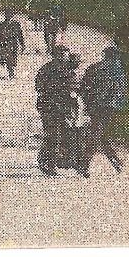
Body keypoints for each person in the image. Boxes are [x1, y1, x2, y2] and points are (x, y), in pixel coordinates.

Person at [78, 46, 127, 175]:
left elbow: (83, 87)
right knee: (97, 135)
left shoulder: (94, 68)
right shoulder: (117, 70)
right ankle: (84, 164)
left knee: (100, 135)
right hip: (108, 108)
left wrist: (88, 103)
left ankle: (115, 162)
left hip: (96, 107)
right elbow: (120, 91)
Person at [34, 44, 78, 176]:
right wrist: (54, 91)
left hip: (64, 107)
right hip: (49, 106)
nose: (64, 58)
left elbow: (73, 88)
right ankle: (48, 164)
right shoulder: (47, 69)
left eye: (65, 55)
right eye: (61, 55)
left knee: (63, 134)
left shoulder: (69, 70)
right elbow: (38, 86)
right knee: (53, 135)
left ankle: (51, 160)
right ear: (55, 56)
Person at [0, 12, 26, 78]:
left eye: (10, 15)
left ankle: (11, 71)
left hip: (13, 43)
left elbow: (20, 34)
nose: (8, 16)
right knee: (6, 58)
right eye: (7, 15)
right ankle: (10, 71)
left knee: (12, 58)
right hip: (4, 43)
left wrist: (22, 44)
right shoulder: (2, 24)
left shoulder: (16, 24)